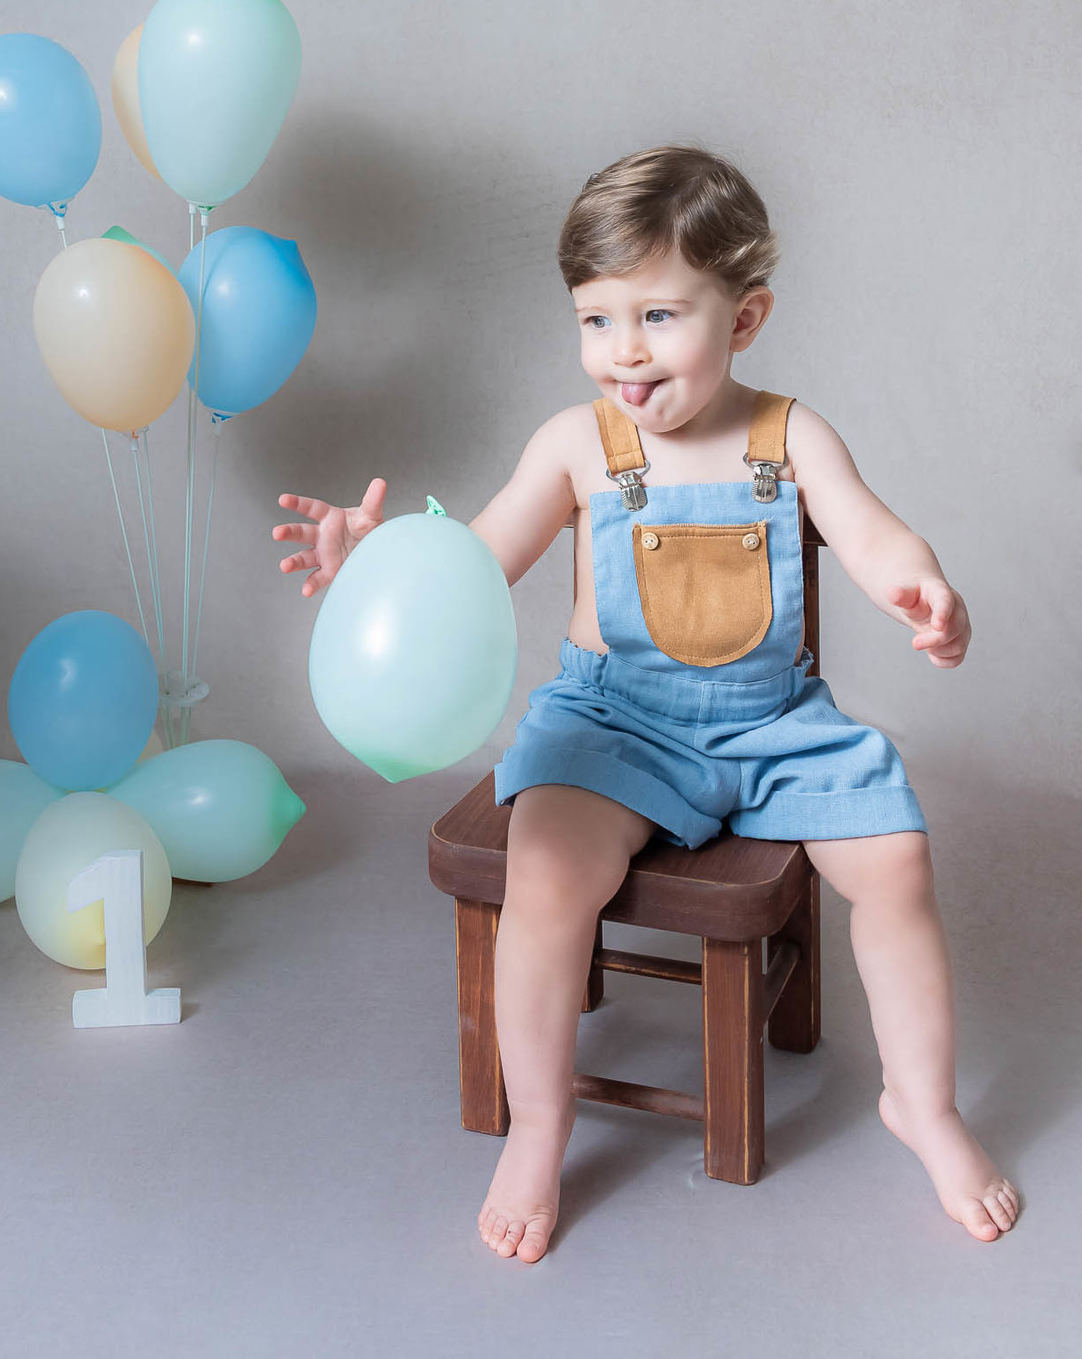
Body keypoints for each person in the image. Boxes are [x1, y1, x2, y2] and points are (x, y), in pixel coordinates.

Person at [271, 145, 1020, 1263]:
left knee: (897, 860)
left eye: (659, 315)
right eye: (597, 319)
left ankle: (925, 1104)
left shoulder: (789, 435)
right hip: (613, 725)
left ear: (745, 315)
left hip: (774, 723)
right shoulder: (577, 444)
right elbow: (474, 563)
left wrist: (923, 586)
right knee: (546, 871)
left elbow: (869, 530)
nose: (623, 350)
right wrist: (378, 563)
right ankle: (541, 1123)